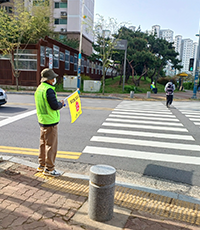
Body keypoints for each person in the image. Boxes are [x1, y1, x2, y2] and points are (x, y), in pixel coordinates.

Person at [34, 68, 64, 177]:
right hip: (51, 122)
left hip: (42, 121)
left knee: (43, 144)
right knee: (51, 145)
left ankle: (41, 165)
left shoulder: (39, 88)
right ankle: (50, 169)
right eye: (53, 78)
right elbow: (54, 106)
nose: (54, 79)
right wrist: (61, 104)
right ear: (50, 79)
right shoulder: (49, 90)